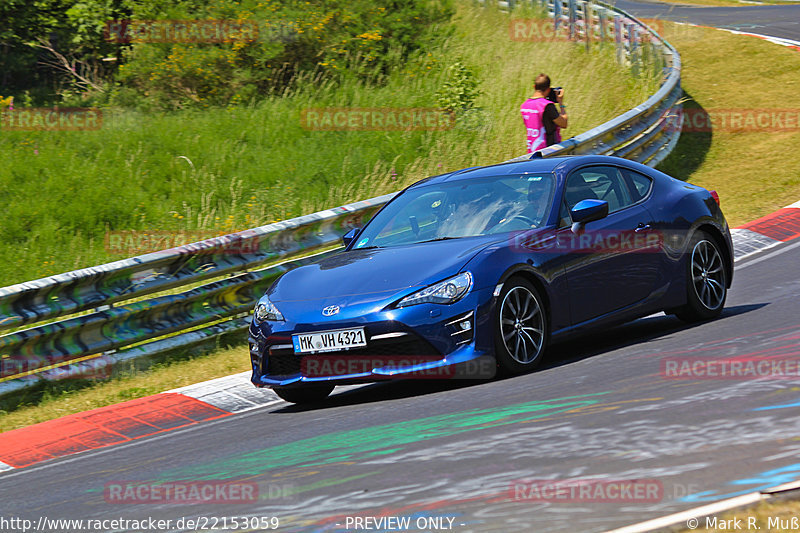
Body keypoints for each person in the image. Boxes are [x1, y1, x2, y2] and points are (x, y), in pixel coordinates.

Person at [520, 73, 568, 153]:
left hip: (532, 152)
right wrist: (561, 103)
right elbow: (564, 123)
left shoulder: (524, 106)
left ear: (534, 87)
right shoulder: (547, 106)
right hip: (548, 152)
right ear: (548, 90)